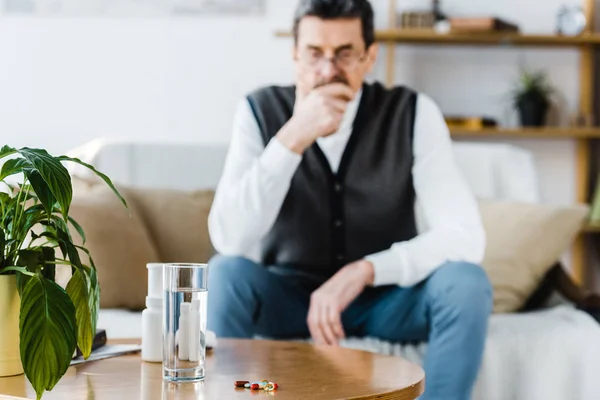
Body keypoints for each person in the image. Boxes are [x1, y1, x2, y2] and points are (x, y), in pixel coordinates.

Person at [207, 1, 492, 399]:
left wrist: (365, 271)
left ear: (369, 56)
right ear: (294, 54)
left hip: (385, 301)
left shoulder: (412, 113)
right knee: (225, 273)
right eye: (314, 54)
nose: (327, 71)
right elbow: (229, 238)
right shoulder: (258, 111)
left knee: (465, 283)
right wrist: (293, 137)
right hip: (289, 300)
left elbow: (466, 236)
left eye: (344, 54)